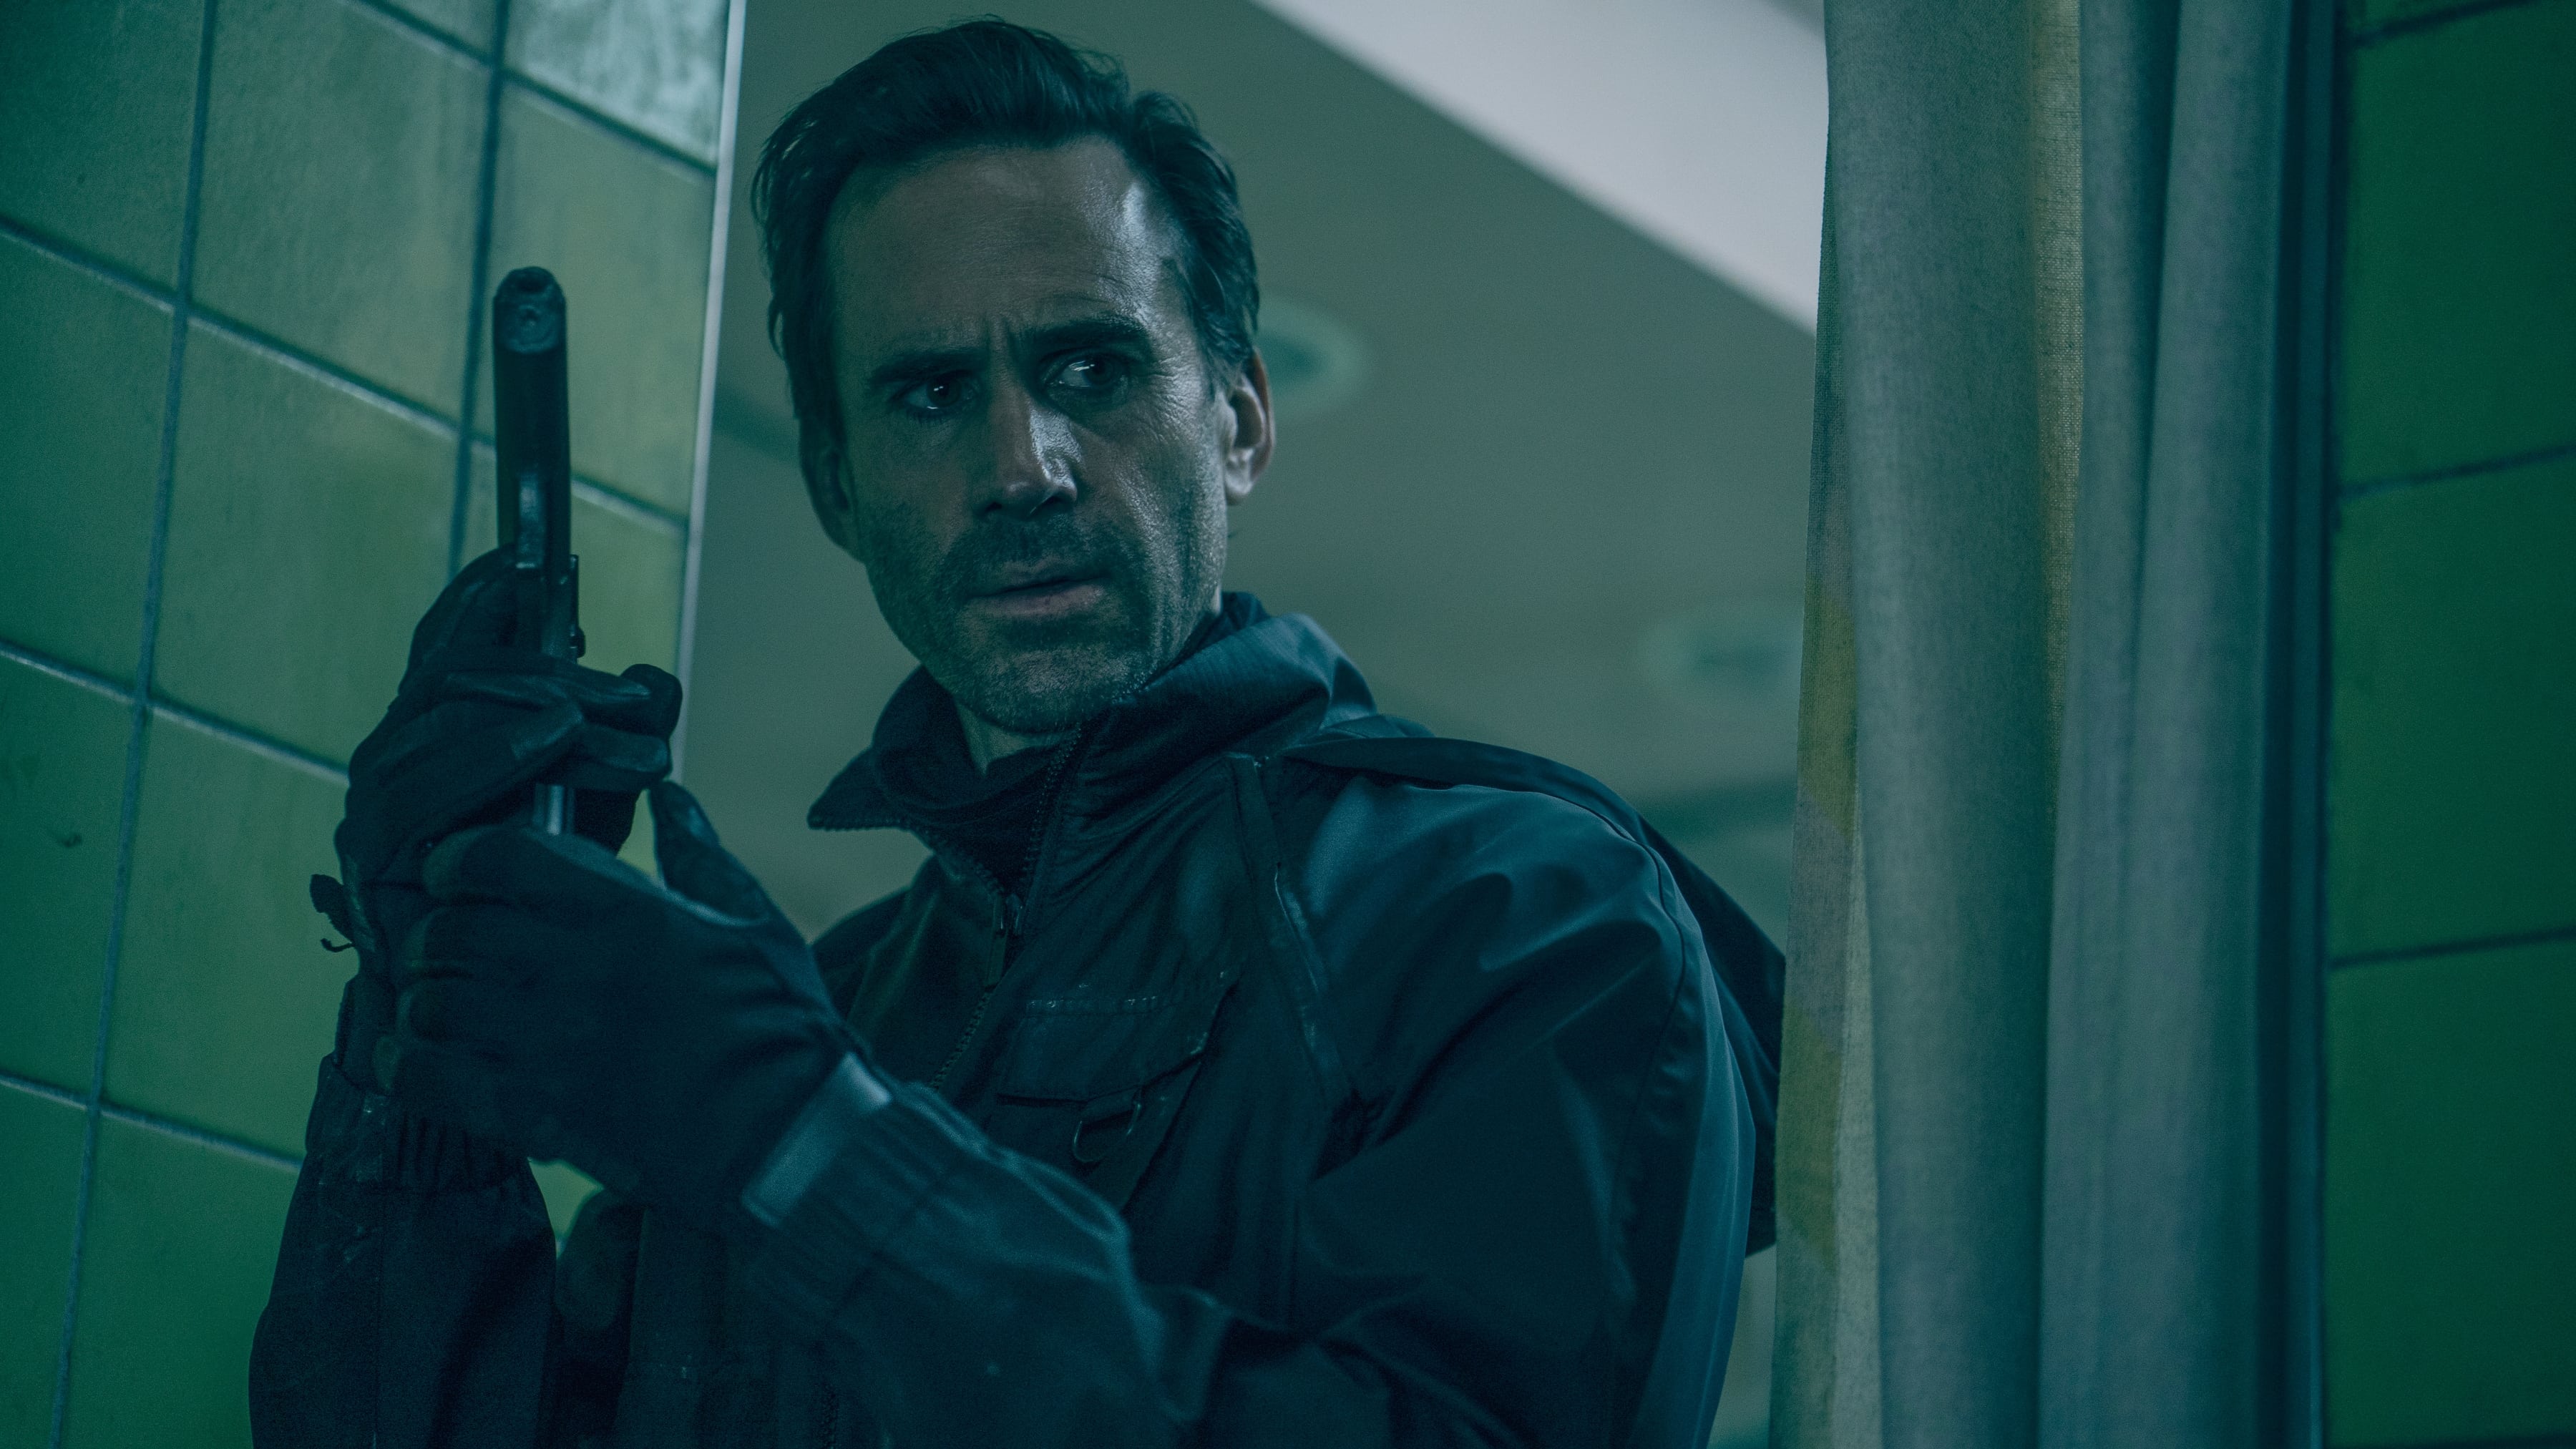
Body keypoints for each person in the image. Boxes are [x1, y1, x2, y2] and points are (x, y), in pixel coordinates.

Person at [250, 20, 1781, 1449]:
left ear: (1241, 419)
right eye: (929, 394)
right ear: (838, 485)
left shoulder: (1516, 904)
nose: (1021, 464)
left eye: (1091, 369)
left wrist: (802, 1139)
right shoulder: (820, 1010)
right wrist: (416, 1032)